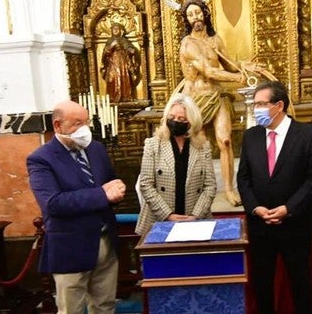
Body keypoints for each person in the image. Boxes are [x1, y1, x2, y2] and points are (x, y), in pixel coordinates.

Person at [27, 100, 126, 314]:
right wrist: (102, 194)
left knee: (105, 306)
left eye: (86, 122)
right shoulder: (41, 159)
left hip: (105, 242)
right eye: (77, 123)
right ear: (57, 125)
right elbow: (53, 203)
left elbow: (109, 183)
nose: (84, 129)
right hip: (71, 247)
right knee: (71, 309)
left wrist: (117, 190)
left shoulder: (96, 149)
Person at [237, 81, 312, 314]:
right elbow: (243, 178)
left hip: (295, 223)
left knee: (300, 284)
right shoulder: (251, 136)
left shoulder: (309, 134)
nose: (256, 109)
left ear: (278, 105)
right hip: (260, 225)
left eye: (260, 104)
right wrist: (255, 208)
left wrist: (289, 208)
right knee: (262, 284)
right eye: (254, 104)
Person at [177, 0, 268, 207]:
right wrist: (238, 78)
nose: (195, 17)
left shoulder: (216, 40)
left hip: (217, 96)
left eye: (197, 12)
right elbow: (208, 71)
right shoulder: (187, 44)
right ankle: (206, 190)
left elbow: (227, 64)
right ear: (186, 20)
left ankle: (229, 188)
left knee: (225, 141)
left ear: (205, 14)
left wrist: (245, 66)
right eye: (190, 14)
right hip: (196, 99)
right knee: (203, 147)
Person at [136, 93, 216, 235]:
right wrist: (168, 215)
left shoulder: (203, 147)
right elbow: (146, 184)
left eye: (181, 119)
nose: (175, 121)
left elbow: (210, 186)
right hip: (158, 220)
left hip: (195, 220)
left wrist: (195, 216)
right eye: (171, 118)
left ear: (191, 122)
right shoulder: (153, 144)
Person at [101, 23, 139, 102]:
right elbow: (105, 53)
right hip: (112, 63)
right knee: (113, 79)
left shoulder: (124, 40)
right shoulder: (109, 41)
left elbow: (129, 48)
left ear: (121, 31)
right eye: (113, 29)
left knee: (124, 78)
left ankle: (125, 96)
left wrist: (130, 50)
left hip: (123, 63)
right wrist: (112, 46)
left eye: (117, 29)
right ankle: (113, 97)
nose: (115, 30)